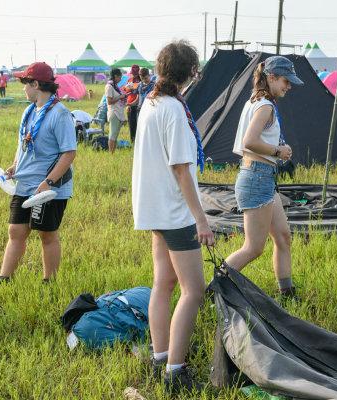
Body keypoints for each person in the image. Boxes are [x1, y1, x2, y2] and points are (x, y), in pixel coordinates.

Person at [132, 40, 214, 394]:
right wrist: (202, 219)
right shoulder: (174, 110)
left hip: (155, 208)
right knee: (193, 290)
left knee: (163, 284)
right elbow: (181, 168)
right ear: (192, 74)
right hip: (176, 211)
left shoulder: (151, 103)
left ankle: (160, 356)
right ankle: (175, 371)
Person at [225, 56, 303, 300]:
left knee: (283, 236)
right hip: (257, 177)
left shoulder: (257, 101)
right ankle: (214, 287)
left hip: (264, 177)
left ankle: (287, 293)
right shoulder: (265, 105)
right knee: (253, 247)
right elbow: (250, 142)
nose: (288, 87)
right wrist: (278, 151)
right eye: (285, 81)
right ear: (271, 77)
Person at [0, 62, 77, 283]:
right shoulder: (29, 111)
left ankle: (48, 282)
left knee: (46, 234)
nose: (23, 88)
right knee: (15, 231)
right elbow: (22, 144)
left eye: (25, 83)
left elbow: (68, 153)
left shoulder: (60, 114)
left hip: (48, 189)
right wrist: (15, 165)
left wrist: (49, 182)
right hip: (25, 183)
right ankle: (3, 279)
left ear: (36, 84)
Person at [105, 68, 127, 153]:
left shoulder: (115, 86)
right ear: (115, 76)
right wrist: (120, 97)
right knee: (112, 134)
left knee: (116, 134)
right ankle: (111, 154)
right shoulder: (109, 86)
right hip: (114, 112)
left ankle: (113, 152)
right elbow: (109, 102)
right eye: (120, 77)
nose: (121, 79)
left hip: (119, 112)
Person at [125, 64, 141, 143]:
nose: (134, 74)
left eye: (136, 73)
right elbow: (126, 90)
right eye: (133, 72)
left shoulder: (142, 80)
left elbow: (138, 89)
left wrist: (132, 87)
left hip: (139, 105)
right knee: (131, 123)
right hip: (130, 104)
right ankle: (133, 140)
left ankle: (139, 140)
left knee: (139, 123)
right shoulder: (129, 79)